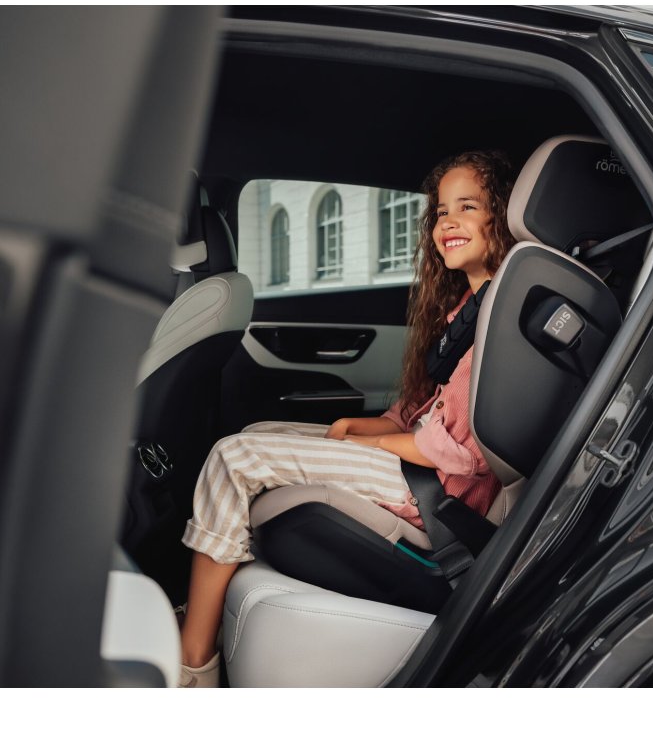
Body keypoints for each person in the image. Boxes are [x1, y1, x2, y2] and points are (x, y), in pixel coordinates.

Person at [177, 150, 518, 687]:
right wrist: (365, 428)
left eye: (468, 207)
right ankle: (208, 606)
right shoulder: (470, 310)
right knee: (255, 435)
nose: (448, 223)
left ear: (503, 214)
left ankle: (194, 663)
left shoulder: (504, 323)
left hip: (440, 494)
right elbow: (420, 411)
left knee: (234, 456)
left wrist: (373, 446)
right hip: (422, 467)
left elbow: (457, 453)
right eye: (441, 212)